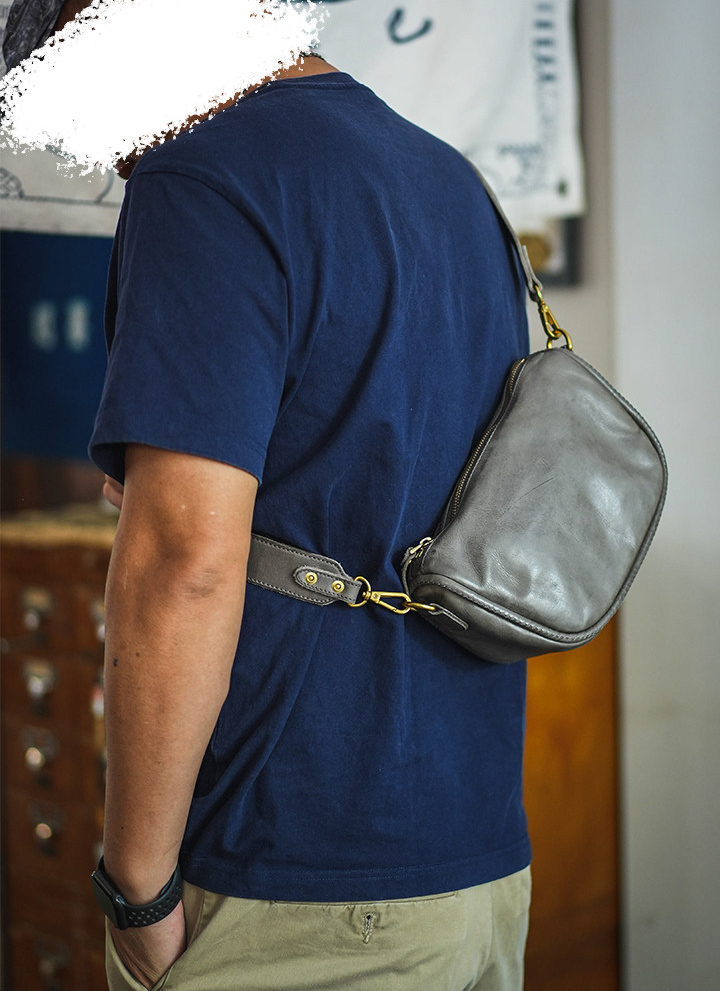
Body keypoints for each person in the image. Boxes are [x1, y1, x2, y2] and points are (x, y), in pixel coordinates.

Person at [5, 2, 532, 988]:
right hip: (472, 857)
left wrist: (136, 887)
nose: (116, 160)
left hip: (288, 879)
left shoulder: (205, 175)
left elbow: (182, 567)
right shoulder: (447, 178)